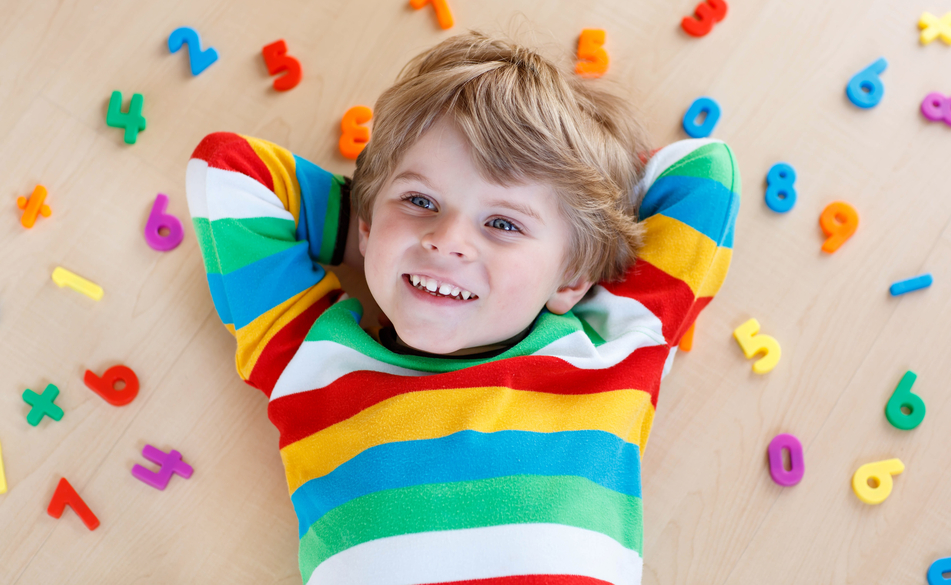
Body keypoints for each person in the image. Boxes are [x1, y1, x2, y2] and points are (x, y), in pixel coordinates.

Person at [186, 30, 740, 584]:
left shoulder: (612, 350)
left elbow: (705, 173)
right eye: (421, 201)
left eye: (502, 224)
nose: (447, 239)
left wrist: (582, 203)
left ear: (572, 276)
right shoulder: (309, 362)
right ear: (368, 219)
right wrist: (382, 235)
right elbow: (230, 170)